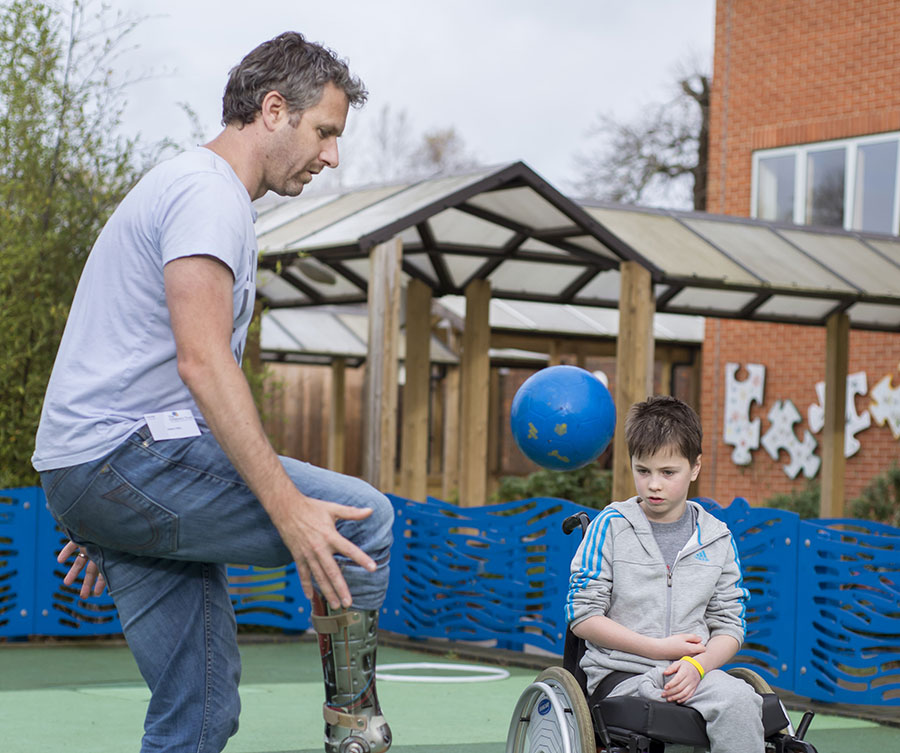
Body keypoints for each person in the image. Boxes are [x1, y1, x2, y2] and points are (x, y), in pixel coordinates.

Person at [32, 32, 393, 753]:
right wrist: (287, 508)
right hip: (122, 460)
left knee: (199, 708)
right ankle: (355, 730)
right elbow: (202, 363)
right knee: (360, 523)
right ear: (272, 109)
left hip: (100, 468)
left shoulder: (188, 187)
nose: (331, 155)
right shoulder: (208, 193)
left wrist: (99, 515)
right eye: (324, 132)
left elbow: (134, 354)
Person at [566, 395, 764, 753]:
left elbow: (730, 627)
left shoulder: (717, 537)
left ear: (695, 468)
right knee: (660, 712)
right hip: (621, 676)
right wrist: (657, 648)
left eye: (668, 473)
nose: (653, 485)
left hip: (693, 673)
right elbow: (583, 616)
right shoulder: (610, 527)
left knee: (741, 700)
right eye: (643, 471)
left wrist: (698, 667)